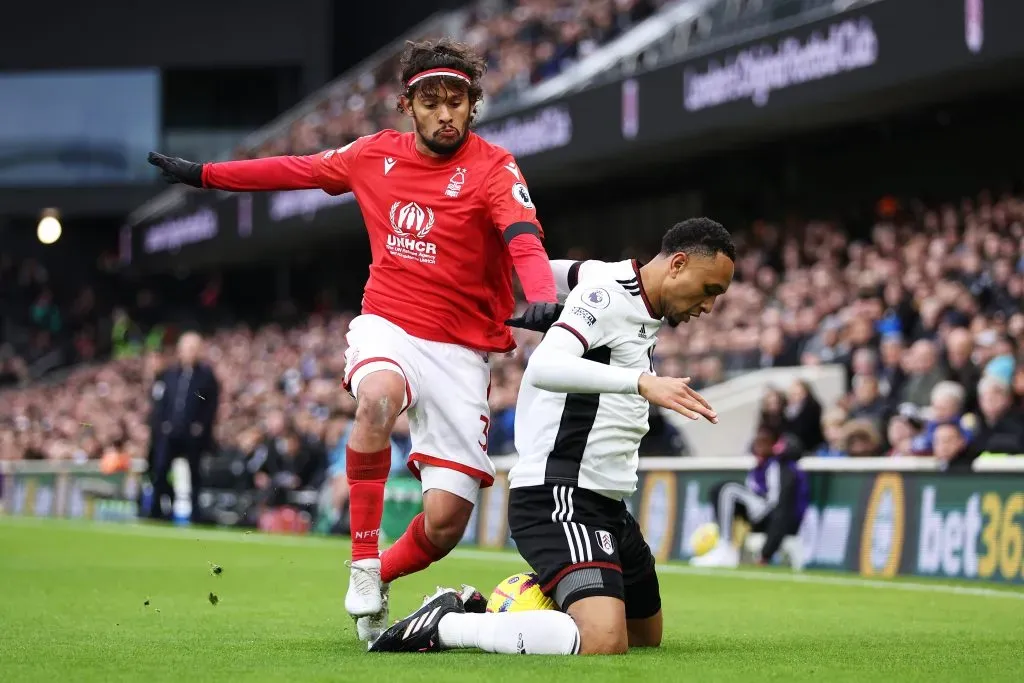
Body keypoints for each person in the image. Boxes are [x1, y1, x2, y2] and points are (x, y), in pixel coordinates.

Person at [147, 38, 559, 640]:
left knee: (445, 524)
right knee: (374, 400)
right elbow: (295, 169)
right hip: (388, 322)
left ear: (473, 106)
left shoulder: (494, 167)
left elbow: (522, 233)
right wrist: (207, 175)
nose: (445, 113)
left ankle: (383, 576)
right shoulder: (373, 156)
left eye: (457, 100)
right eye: (431, 101)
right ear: (407, 106)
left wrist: (540, 291)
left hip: (461, 351)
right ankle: (363, 561)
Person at [370, 217, 735, 655]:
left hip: (607, 504)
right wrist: (641, 381)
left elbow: (548, 271)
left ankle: (513, 605)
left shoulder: (611, 281)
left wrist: (544, 295)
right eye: (709, 289)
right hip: (560, 495)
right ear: (677, 264)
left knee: (643, 636)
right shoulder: (608, 296)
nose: (710, 306)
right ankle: (447, 624)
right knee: (603, 641)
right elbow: (543, 368)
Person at [691, 423, 809, 568]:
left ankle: (726, 548)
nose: (758, 445)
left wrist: (766, 552)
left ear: (775, 445)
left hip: (773, 517)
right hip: (763, 515)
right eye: (757, 441)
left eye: (764, 441)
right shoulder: (760, 467)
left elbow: (781, 509)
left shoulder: (779, 467)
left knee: (728, 490)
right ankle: (722, 546)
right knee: (718, 491)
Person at [145, 332, 220, 523]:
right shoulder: (170, 375)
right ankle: (157, 508)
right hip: (169, 432)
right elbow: (161, 402)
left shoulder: (206, 377)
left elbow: (210, 405)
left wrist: (200, 426)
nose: (190, 352)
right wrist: (162, 425)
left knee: (194, 474)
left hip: (192, 435)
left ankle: (195, 513)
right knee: (160, 470)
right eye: (187, 348)